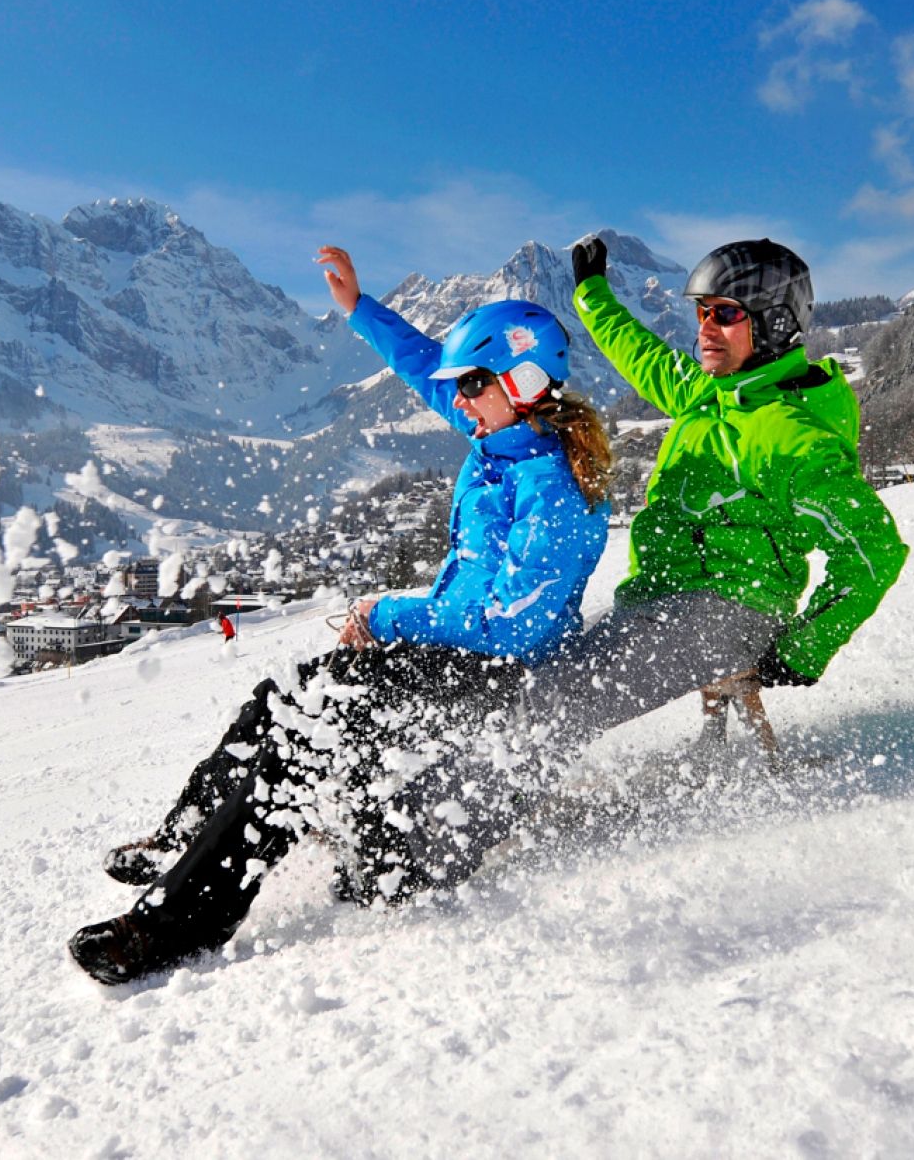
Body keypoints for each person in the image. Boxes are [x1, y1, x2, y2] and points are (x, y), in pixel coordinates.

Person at [68, 245, 613, 985]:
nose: (457, 400)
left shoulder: (554, 491)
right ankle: (182, 838)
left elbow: (513, 627)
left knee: (306, 731)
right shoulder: (496, 439)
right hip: (451, 655)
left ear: (523, 382)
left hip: (498, 681)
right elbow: (425, 366)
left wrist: (388, 616)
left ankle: (172, 926)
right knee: (285, 697)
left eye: (473, 384)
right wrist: (359, 309)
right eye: (461, 386)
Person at [535, 234, 909, 750]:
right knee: (543, 668)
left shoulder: (791, 438)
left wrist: (802, 651)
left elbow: (873, 551)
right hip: (667, 600)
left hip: (726, 612)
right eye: (703, 312)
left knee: (549, 702)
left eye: (726, 314)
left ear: (775, 322)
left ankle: (473, 800)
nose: (706, 328)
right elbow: (642, 354)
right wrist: (591, 293)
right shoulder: (711, 393)